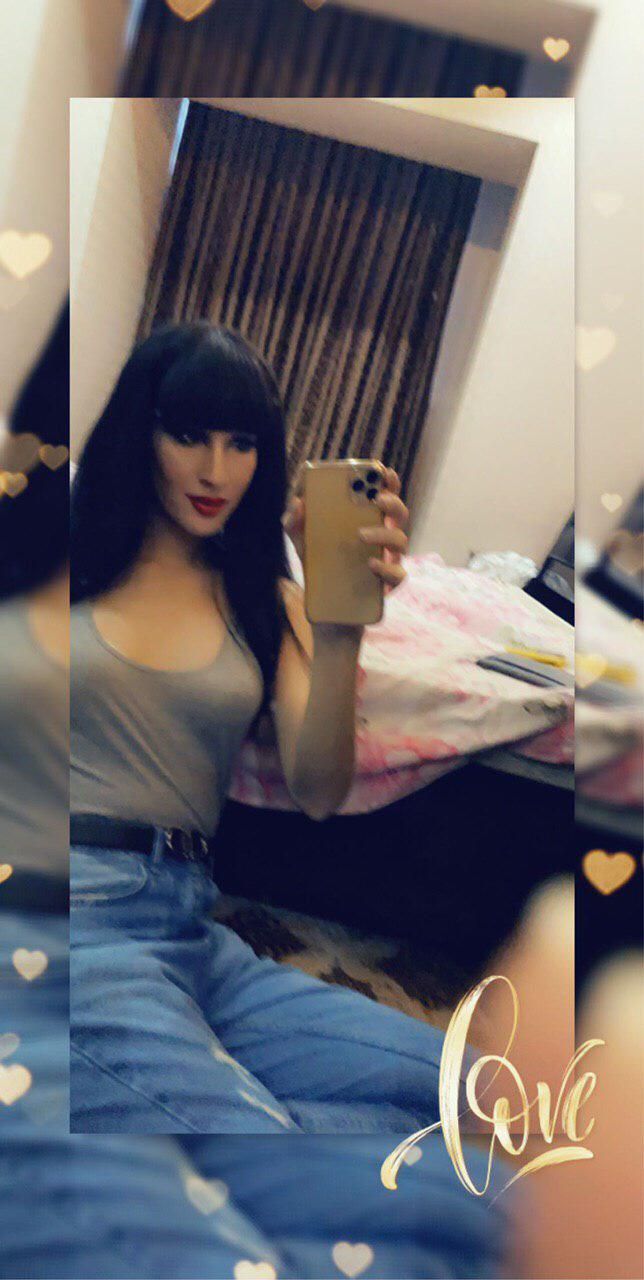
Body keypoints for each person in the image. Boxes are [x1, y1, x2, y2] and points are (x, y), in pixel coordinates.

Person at [69, 320, 451, 1134]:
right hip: (62, 903)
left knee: (470, 1092)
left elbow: (319, 790)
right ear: (140, 432)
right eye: (188, 436)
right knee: (255, 1146)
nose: (216, 472)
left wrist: (340, 630)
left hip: (187, 924)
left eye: (241, 443)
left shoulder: (265, 597)